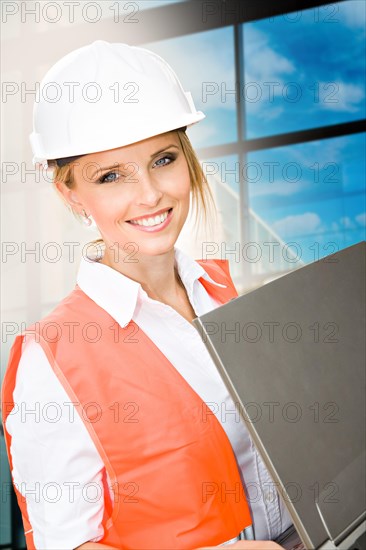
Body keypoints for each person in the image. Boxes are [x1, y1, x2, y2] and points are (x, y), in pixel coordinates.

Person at [1, 41, 292, 550]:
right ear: (70, 193)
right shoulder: (55, 359)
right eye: (111, 176)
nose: (151, 194)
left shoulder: (221, 293)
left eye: (163, 159)